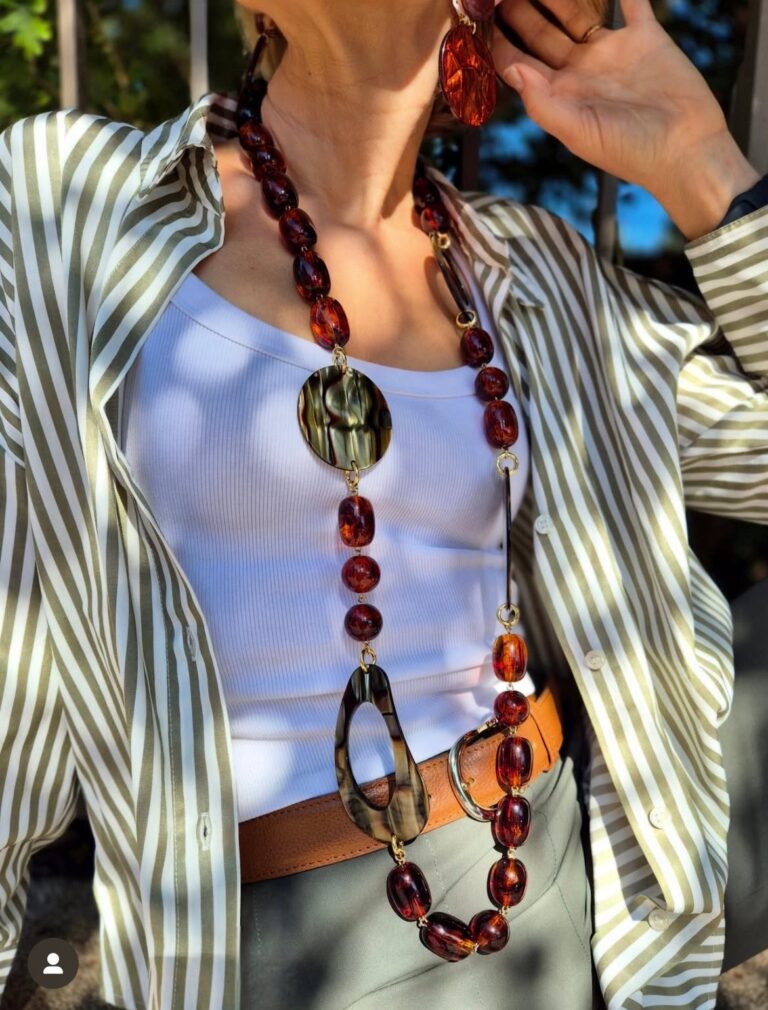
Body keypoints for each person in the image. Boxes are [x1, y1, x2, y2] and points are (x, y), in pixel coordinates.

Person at [0, 1, 765, 1008]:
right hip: (258, 944)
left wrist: (700, 162)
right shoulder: (64, 199)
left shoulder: (538, 275)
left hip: (545, 878)